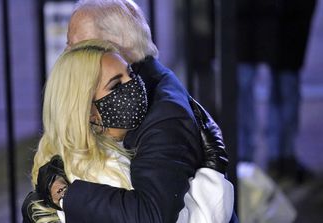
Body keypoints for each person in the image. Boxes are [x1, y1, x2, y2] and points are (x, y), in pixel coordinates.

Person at [24, 0, 236, 222]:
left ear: (112, 47)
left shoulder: (161, 114)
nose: (68, 54)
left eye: (77, 45)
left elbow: (152, 215)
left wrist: (62, 197)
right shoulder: (104, 136)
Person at [236, 0, 316, 180]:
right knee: (245, 82)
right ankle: (247, 160)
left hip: (287, 17)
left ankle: (280, 158)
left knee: (284, 84)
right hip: (247, 16)